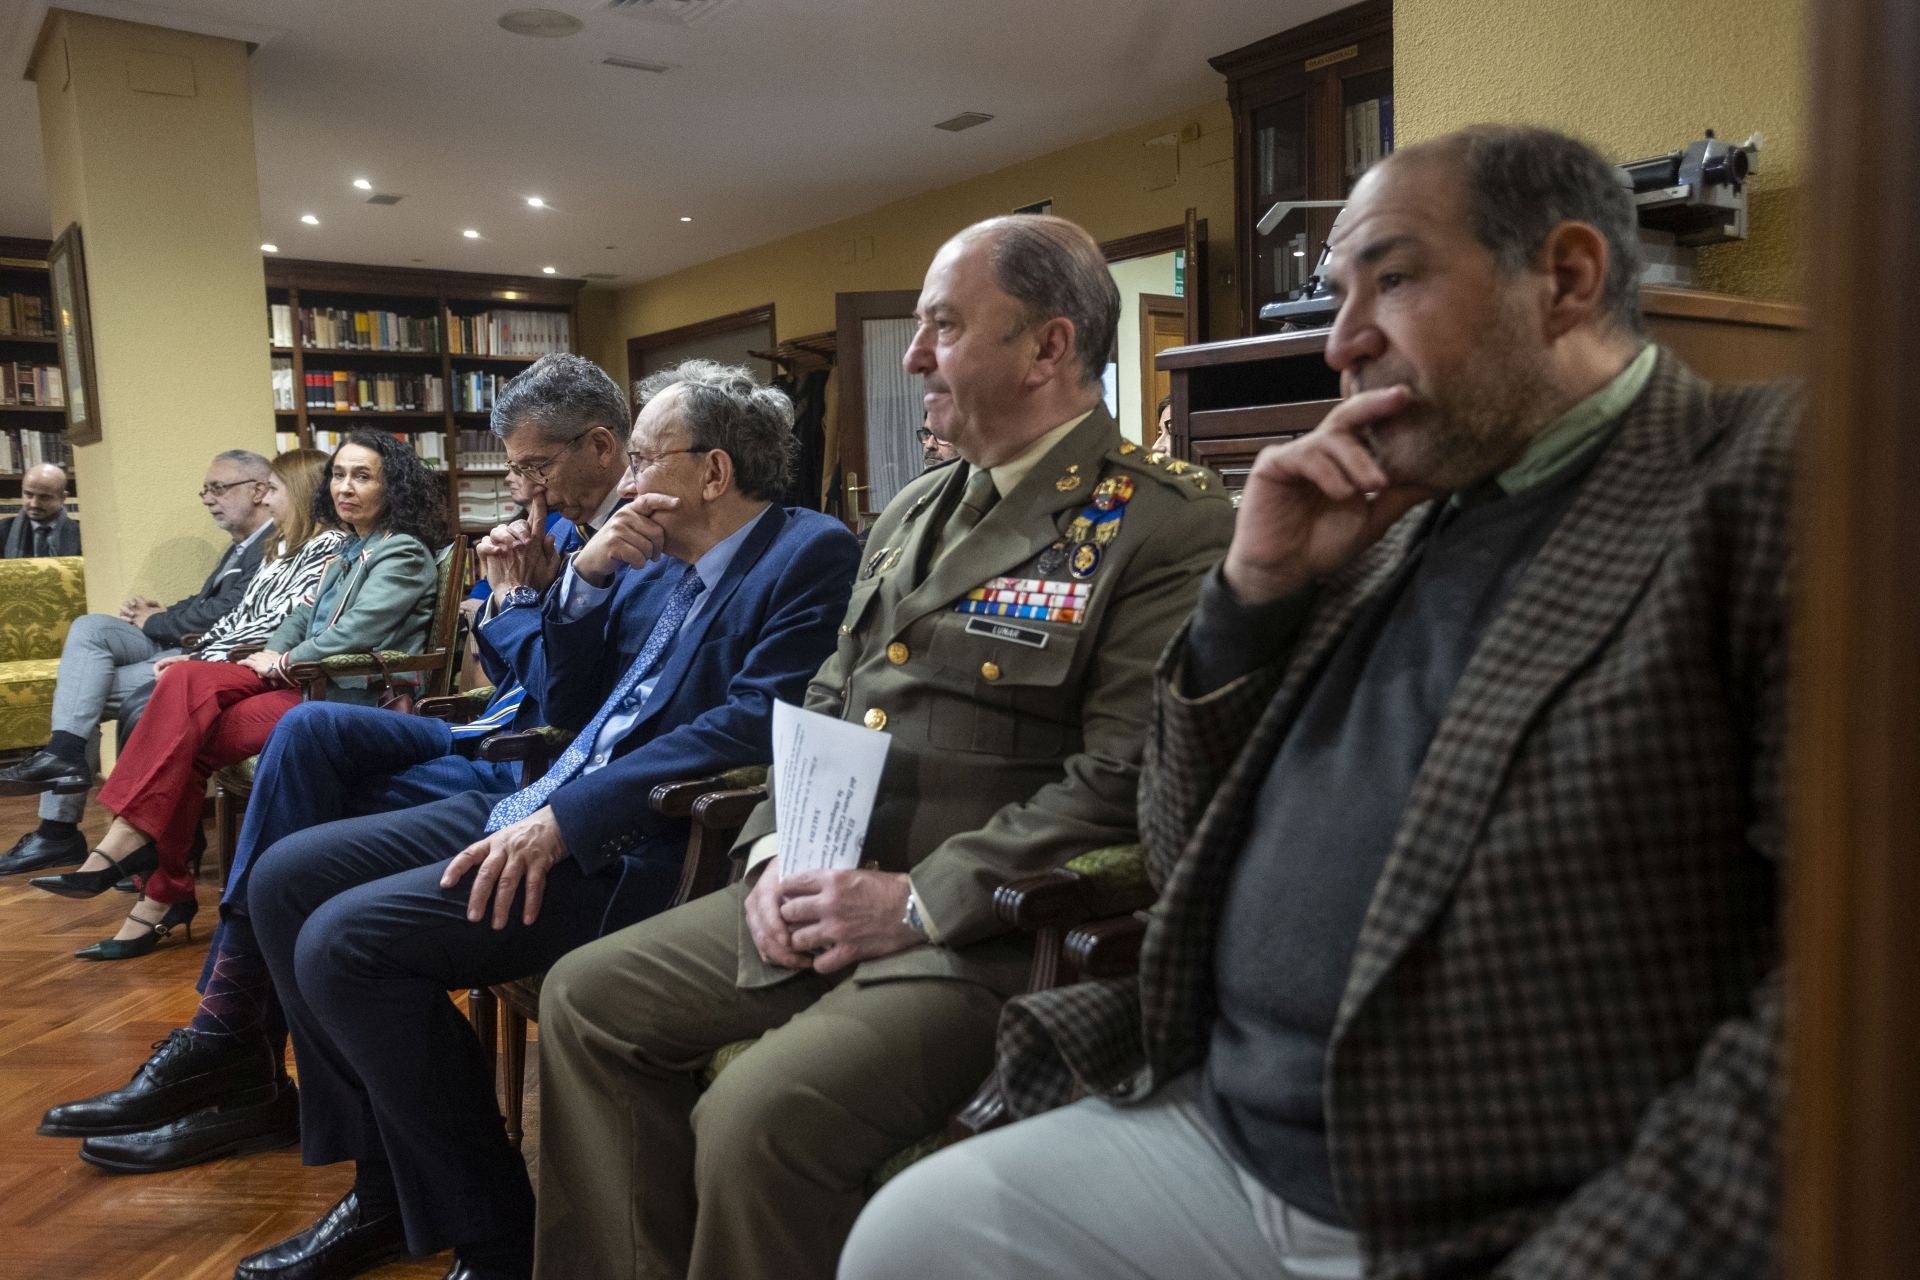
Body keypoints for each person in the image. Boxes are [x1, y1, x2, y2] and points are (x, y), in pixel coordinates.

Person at [842, 125, 1797, 1280]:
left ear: (1569, 280)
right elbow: (1176, 842)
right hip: (1222, 1110)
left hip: (1505, 1189)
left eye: (1392, 280)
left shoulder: (1767, 473)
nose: (1338, 346)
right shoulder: (1384, 524)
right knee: (912, 1238)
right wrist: (1250, 597)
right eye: (1335, 292)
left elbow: (1845, 998)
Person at [532, 215, 1234, 1280]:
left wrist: (909, 901)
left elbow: (1120, 782)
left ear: (1049, 347)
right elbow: (820, 702)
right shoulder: (913, 509)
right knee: (583, 999)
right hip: (824, 881)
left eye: (942, 327)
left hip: (982, 928)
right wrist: (773, 853)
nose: (911, 358)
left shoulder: (1163, 524)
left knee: (754, 1113)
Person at [226, 360, 857, 1280]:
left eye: (645, 459)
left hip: (628, 846)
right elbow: (567, 694)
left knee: (345, 947)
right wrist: (584, 582)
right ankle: (388, 1186)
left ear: (714, 473)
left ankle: (493, 1237)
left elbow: (756, 719)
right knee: (286, 879)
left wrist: (570, 816)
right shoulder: (658, 556)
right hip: (537, 792)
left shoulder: (807, 550)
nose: (630, 483)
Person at [31, 362, 635, 1176]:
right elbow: (512, 669)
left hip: (517, 752)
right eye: (518, 469)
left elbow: (569, 697)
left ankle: (231, 1040)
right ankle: (234, 1043)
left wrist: (521, 601)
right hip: (481, 727)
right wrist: (504, 605)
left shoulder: (619, 539)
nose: (526, 486)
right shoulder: (550, 527)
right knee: (294, 739)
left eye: (536, 466)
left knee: (299, 781)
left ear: (604, 447)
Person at [29, 432, 445, 960]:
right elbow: (300, 617)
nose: (344, 487)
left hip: (346, 695)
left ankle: (152, 875)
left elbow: (356, 631)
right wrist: (273, 651)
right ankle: (144, 866)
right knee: (183, 687)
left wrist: (283, 661)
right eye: (338, 474)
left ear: (395, 486)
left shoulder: (402, 551)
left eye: (362, 477)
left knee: (188, 723)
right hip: (305, 678)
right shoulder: (349, 547)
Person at [0, 449, 274, 875]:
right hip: (183, 642)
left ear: (259, 490)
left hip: (209, 656)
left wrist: (158, 620)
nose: (207, 498)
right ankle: (65, 759)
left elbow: (230, 615)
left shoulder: (271, 545)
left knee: (79, 694)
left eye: (218, 488)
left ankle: (58, 831)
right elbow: (209, 604)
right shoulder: (241, 545)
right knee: (90, 628)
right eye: (206, 489)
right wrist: (161, 610)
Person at [1, 462, 81, 557]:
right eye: (29, 495)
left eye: (44, 497)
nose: (34, 504)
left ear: (63, 498)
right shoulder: (3, 531)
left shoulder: (82, 534)